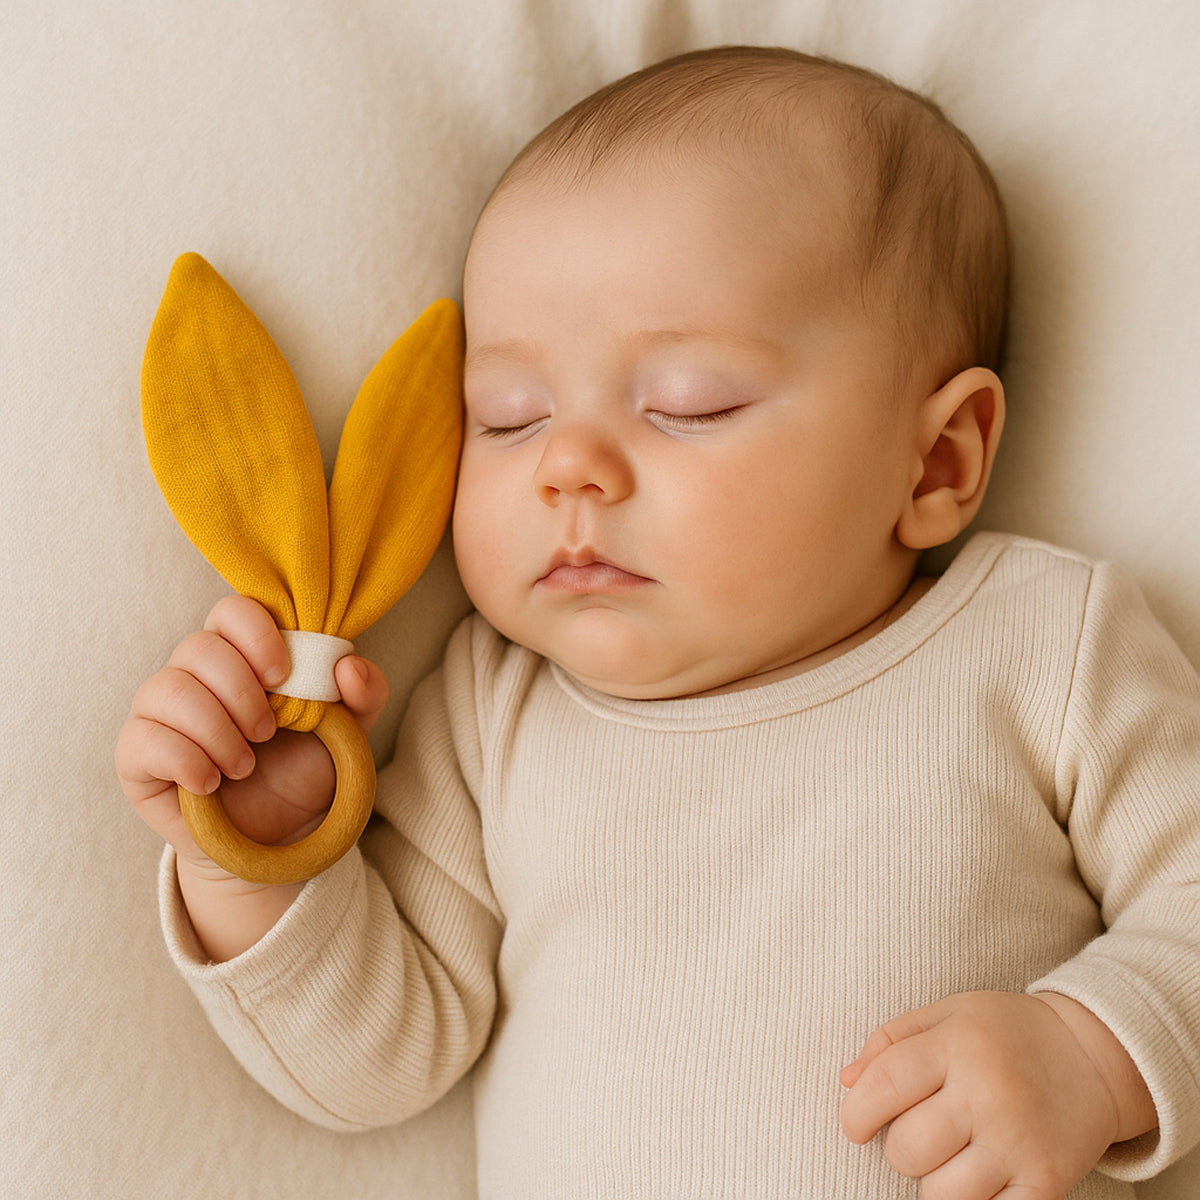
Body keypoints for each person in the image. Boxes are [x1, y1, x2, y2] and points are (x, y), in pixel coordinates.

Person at [115, 45, 1200, 1199]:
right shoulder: (497, 712)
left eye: (689, 403)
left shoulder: (1041, 646)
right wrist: (261, 860)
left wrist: (1094, 1053)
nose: (569, 466)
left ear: (936, 460)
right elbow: (380, 1064)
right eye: (510, 416)